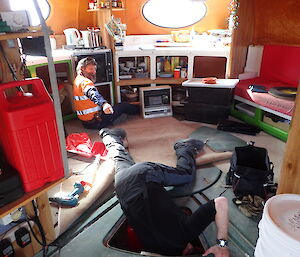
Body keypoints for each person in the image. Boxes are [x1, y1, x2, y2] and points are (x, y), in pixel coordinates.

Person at [99, 128, 230, 257]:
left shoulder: (185, 235)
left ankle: (184, 147)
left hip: (145, 175)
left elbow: (220, 202)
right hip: (121, 185)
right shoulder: (149, 246)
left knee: (186, 175)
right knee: (119, 159)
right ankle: (110, 137)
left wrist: (222, 245)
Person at [73, 57, 138, 129]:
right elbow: (92, 93)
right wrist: (104, 104)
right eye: (91, 69)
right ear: (82, 69)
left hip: (85, 122)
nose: (94, 72)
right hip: (96, 122)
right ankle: (139, 111)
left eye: (95, 69)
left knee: (116, 107)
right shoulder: (85, 82)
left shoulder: (77, 80)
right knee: (124, 105)